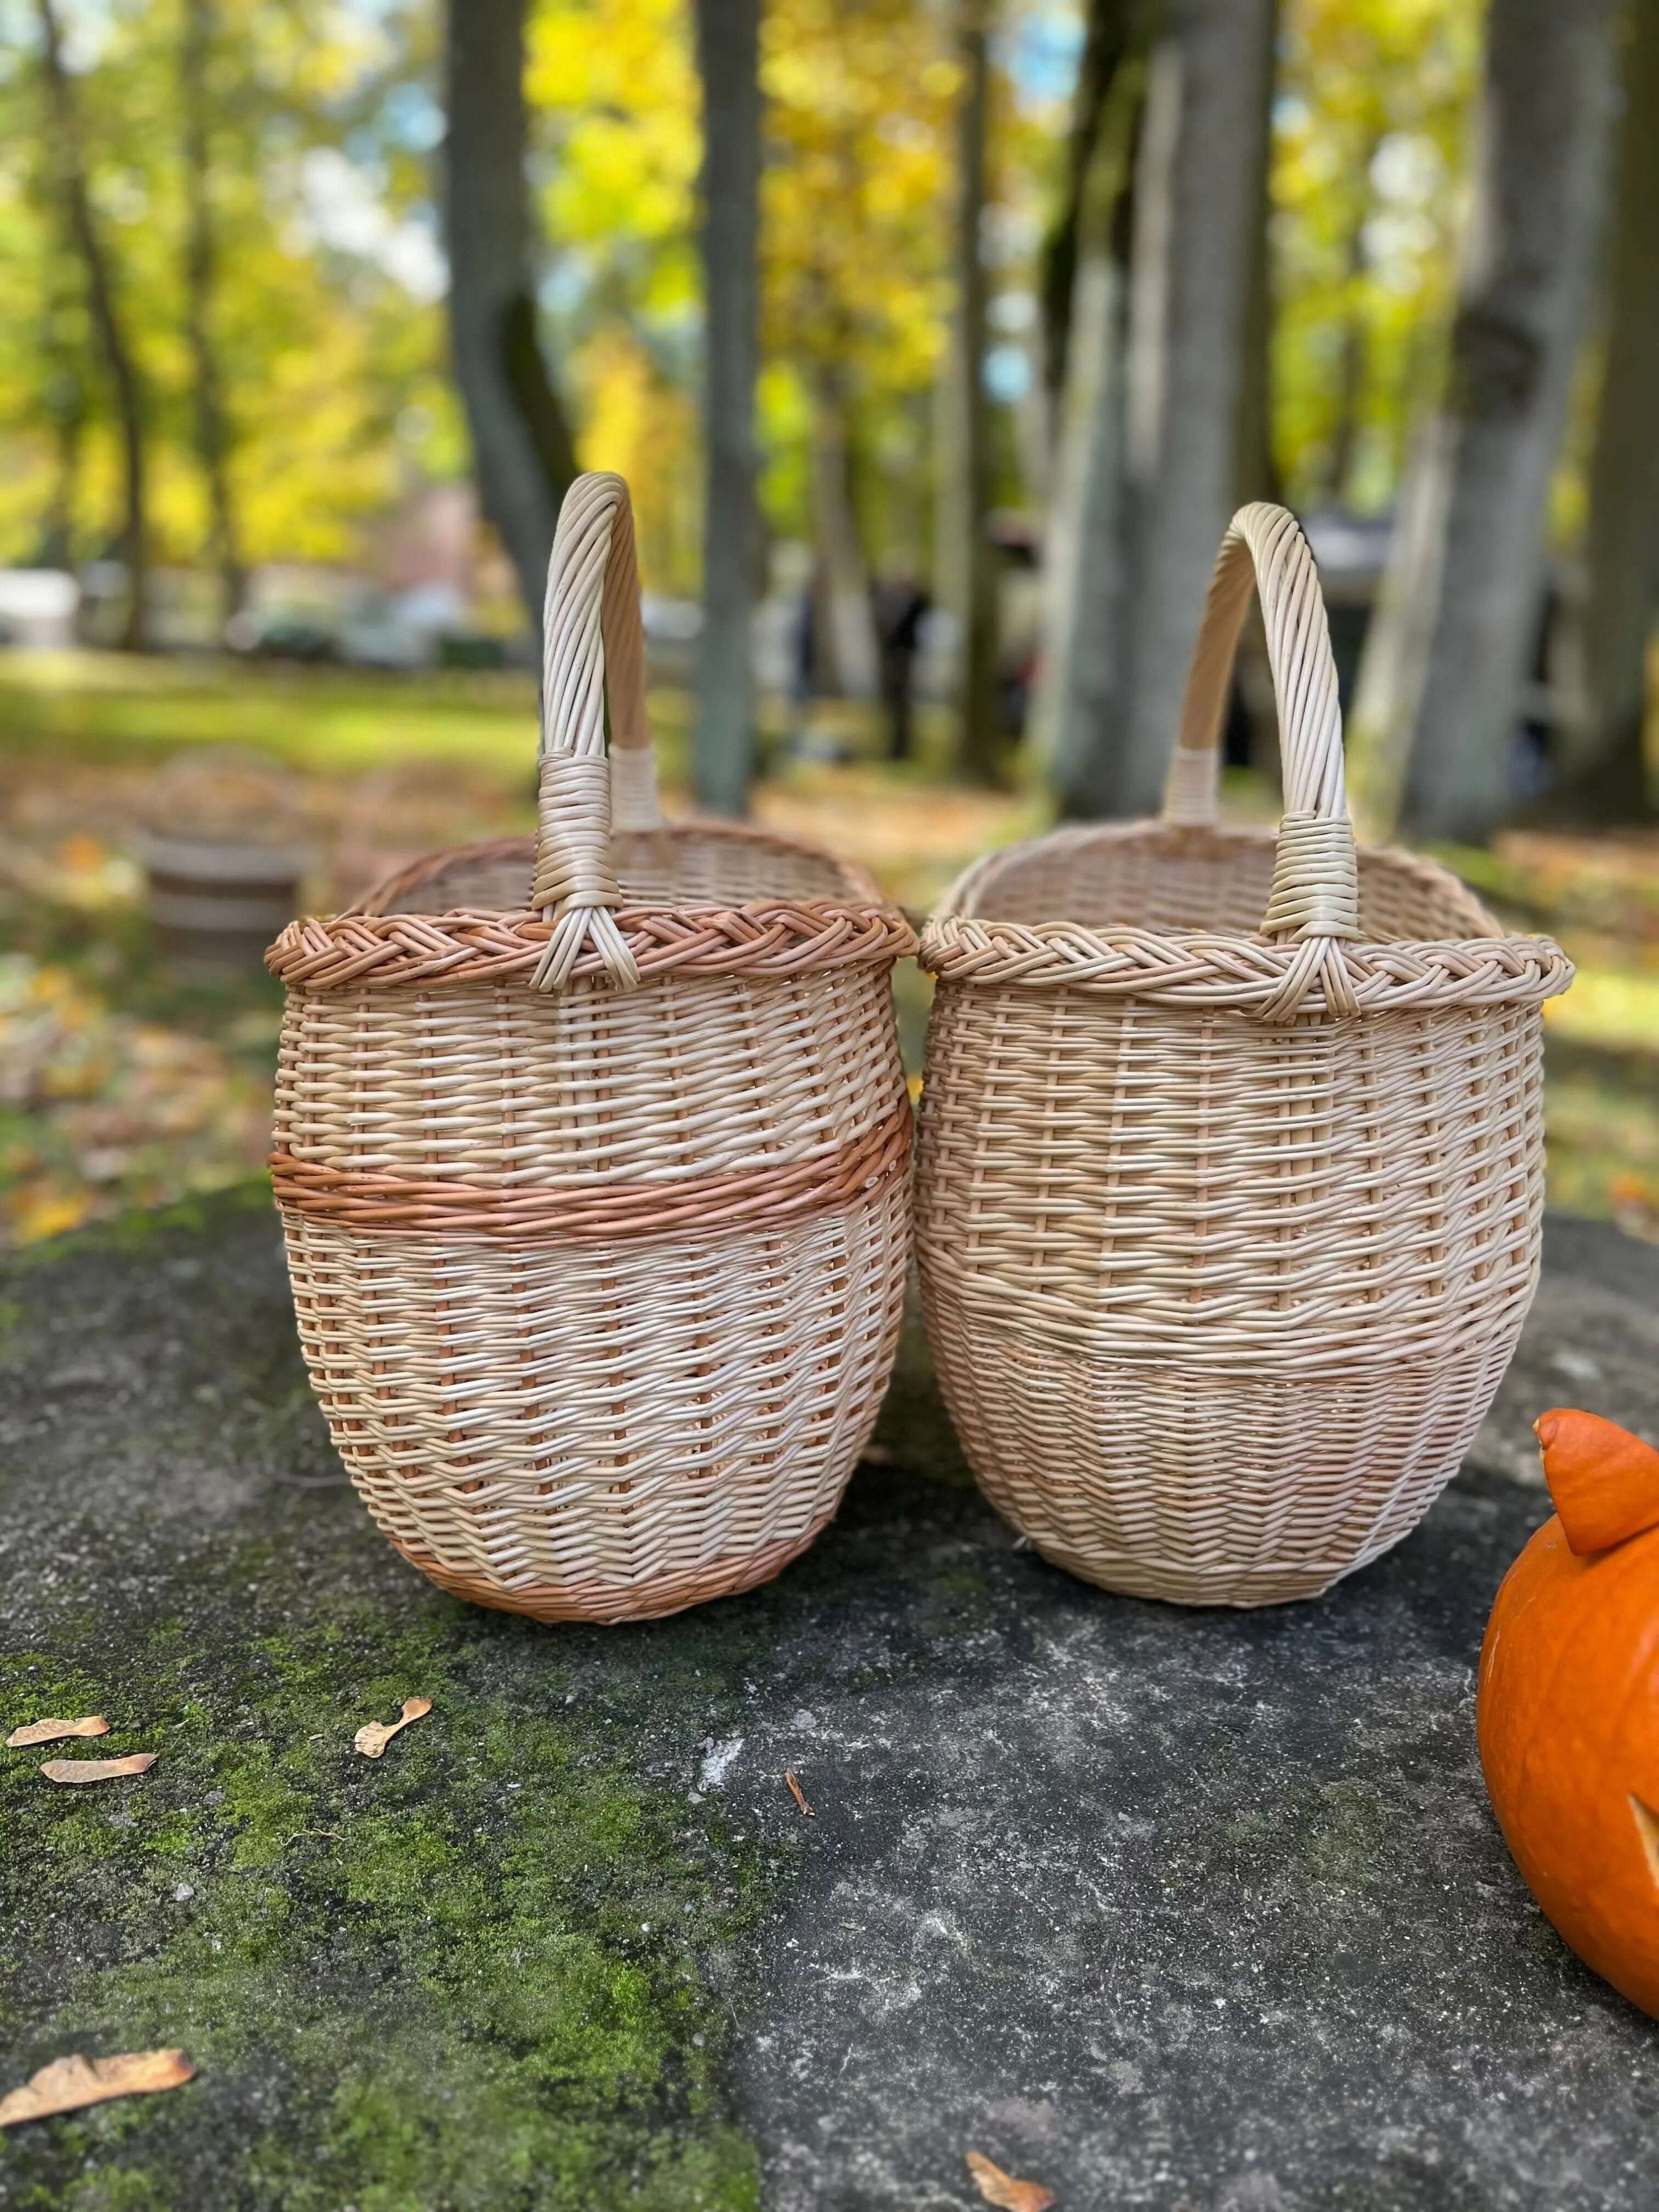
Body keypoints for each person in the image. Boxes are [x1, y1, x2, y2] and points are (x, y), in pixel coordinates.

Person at [870, 571, 930, 762]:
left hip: (903, 658)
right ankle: (890, 746)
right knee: (889, 704)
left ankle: (901, 748)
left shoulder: (914, 604)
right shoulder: (888, 604)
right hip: (891, 657)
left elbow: (924, 604)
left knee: (902, 707)